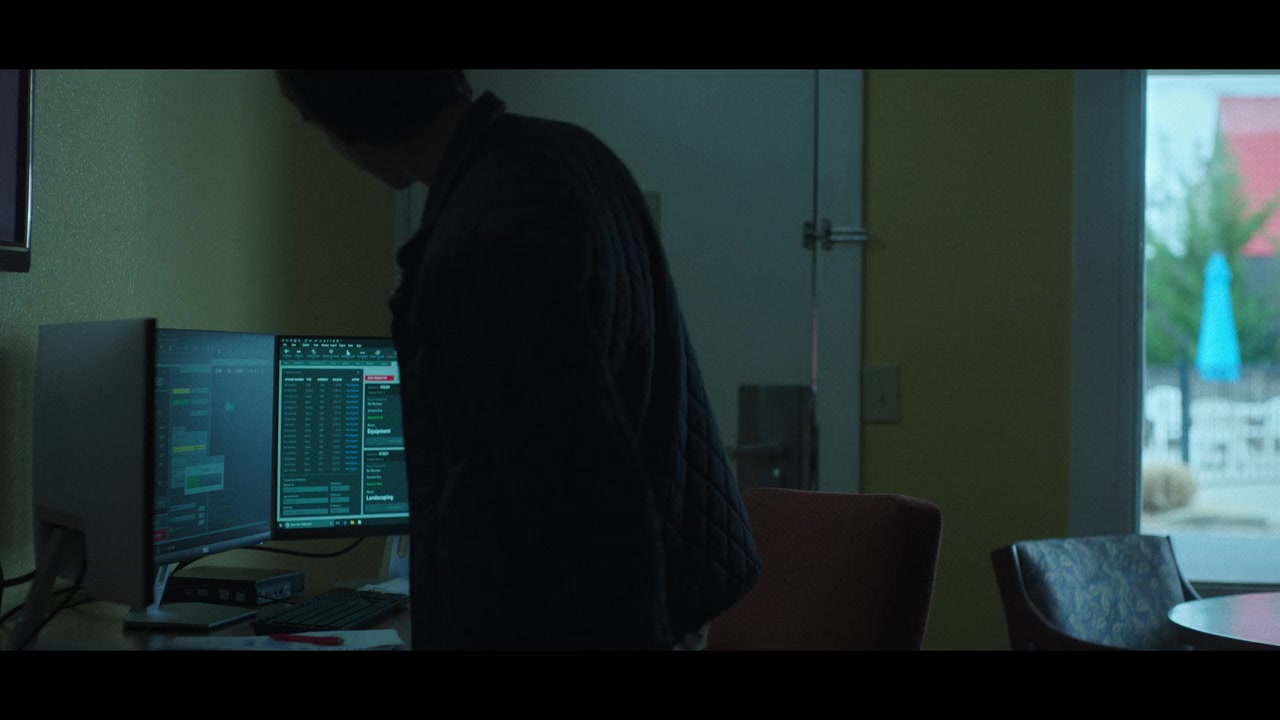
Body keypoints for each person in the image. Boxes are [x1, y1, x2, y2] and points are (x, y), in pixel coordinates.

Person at [275, 70, 761, 650]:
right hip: (674, 576)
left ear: (347, 119)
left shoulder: (484, 242)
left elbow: (567, 496)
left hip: (594, 616)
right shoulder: (568, 154)